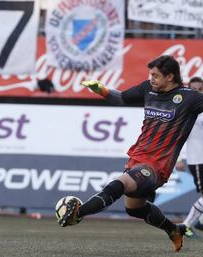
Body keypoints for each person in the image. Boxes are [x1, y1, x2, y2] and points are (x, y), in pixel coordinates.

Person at [58, 55, 203, 252]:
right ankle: (174, 230)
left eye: (155, 75)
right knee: (134, 208)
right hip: (137, 159)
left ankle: (78, 212)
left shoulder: (190, 98)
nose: (151, 78)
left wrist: (79, 212)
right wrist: (102, 90)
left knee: (122, 183)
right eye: (150, 74)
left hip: (157, 166)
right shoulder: (148, 89)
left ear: (170, 76)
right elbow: (123, 98)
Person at [175, 76, 203, 237]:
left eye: (200, 90)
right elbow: (177, 139)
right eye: (194, 90)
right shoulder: (186, 113)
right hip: (198, 160)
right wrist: (178, 159)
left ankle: (195, 223)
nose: (197, 93)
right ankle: (186, 226)